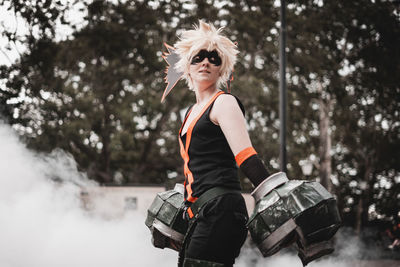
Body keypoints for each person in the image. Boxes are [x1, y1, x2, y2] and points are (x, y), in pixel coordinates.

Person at [162, 20, 270, 267]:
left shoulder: (224, 103)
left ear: (223, 68)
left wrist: (275, 194)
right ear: (186, 67)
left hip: (222, 208)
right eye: (198, 57)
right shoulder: (191, 112)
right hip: (203, 210)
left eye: (214, 58)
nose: (206, 62)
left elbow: (246, 156)